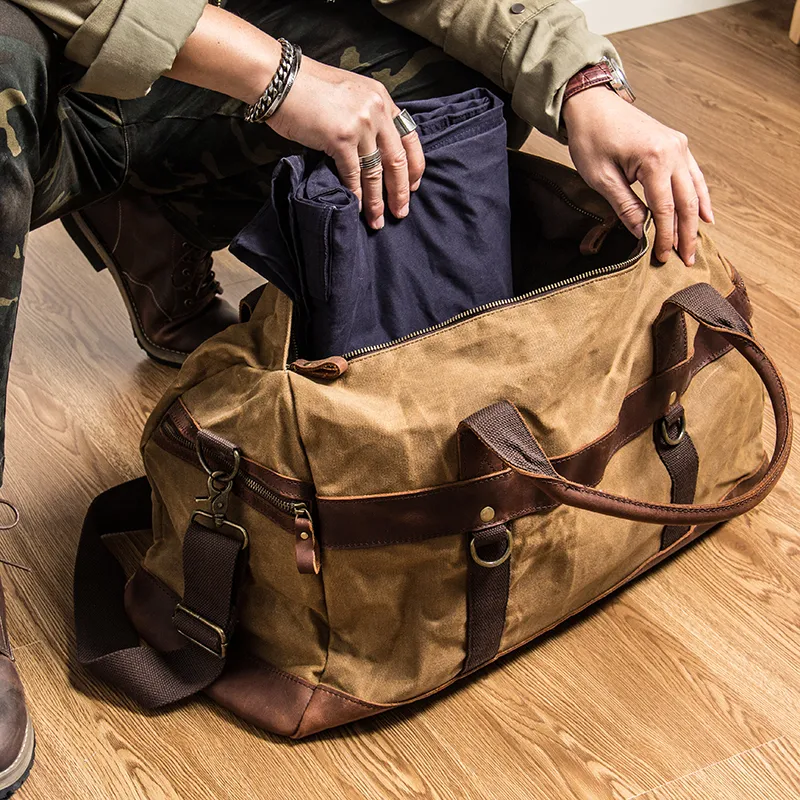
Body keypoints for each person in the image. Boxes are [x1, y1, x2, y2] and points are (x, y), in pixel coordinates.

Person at [0, 0, 714, 793]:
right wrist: (280, 79)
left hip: (187, 57)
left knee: (454, 90)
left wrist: (583, 84)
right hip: (43, 60)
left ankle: (159, 223)